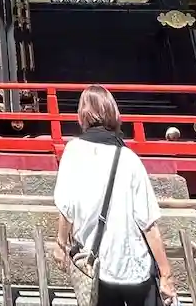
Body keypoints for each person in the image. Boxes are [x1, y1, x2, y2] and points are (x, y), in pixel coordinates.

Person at [52, 85, 176, 306]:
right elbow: (148, 223)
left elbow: (66, 209)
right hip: (133, 265)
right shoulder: (129, 159)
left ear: (82, 115)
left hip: (95, 265)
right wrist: (166, 275)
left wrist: (61, 245)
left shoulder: (72, 152)